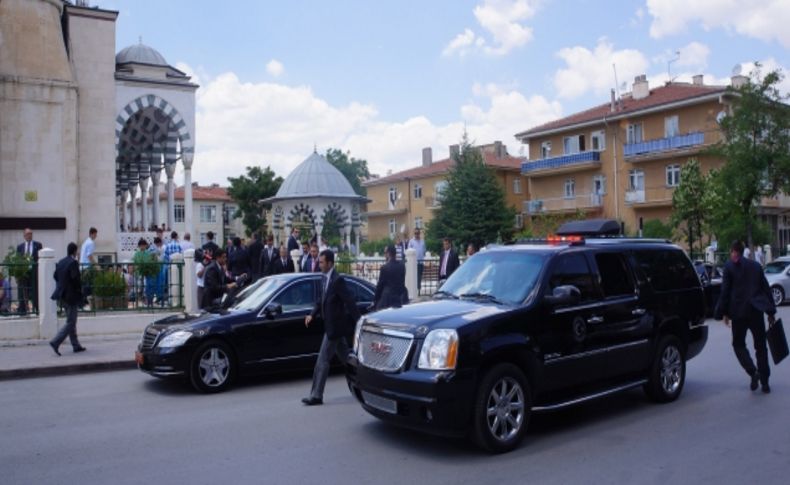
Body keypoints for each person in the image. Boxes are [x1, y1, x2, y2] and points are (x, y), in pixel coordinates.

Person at [714, 240, 776, 393]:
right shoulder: (755, 266)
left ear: (733, 251)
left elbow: (725, 293)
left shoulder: (729, 267)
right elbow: (765, 288)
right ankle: (765, 382)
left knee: (738, 344)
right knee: (761, 347)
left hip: (738, 313)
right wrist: (770, 312)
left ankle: (752, 371)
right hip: (756, 311)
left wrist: (722, 313)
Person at [302, 249, 361, 405]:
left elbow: (349, 301)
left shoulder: (337, 280)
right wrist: (311, 314)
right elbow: (321, 299)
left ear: (330, 263)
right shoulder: (324, 278)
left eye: (321, 262)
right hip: (331, 327)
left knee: (322, 361)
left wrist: (360, 321)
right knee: (348, 360)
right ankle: (363, 382)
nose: (319, 265)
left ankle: (316, 395)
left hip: (334, 328)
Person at [49, 242, 86, 355]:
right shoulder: (73, 263)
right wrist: (79, 291)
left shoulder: (61, 262)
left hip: (62, 295)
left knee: (71, 320)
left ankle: (76, 345)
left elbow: (55, 276)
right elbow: (76, 280)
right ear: (75, 251)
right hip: (71, 296)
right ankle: (56, 341)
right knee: (71, 322)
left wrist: (63, 284)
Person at [16, 228, 42, 314]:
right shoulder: (20, 247)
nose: (29, 236)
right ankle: (23, 308)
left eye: (30, 234)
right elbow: (18, 260)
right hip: (24, 272)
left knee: (35, 290)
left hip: (34, 272)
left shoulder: (38, 245)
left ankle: (36, 308)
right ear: (24, 236)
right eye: (27, 234)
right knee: (23, 290)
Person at [373, 245, 408, 310]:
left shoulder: (384, 268)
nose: (384, 255)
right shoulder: (402, 266)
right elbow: (402, 282)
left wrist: (375, 301)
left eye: (385, 253)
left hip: (388, 301)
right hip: (400, 299)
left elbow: (380, 286)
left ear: (388, 253)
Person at [408, 228, 426, 294]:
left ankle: (418, 290)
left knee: (419, 277)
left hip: (420, 262)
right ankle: (413, 291)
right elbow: (409, 252)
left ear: (419, 233)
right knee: (414, 277)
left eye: (418, 233)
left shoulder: (423, 241)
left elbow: (424, 251)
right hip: (413, 263)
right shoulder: (411, 242)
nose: (416, 234)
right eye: (415, 233)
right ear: (414, 234)